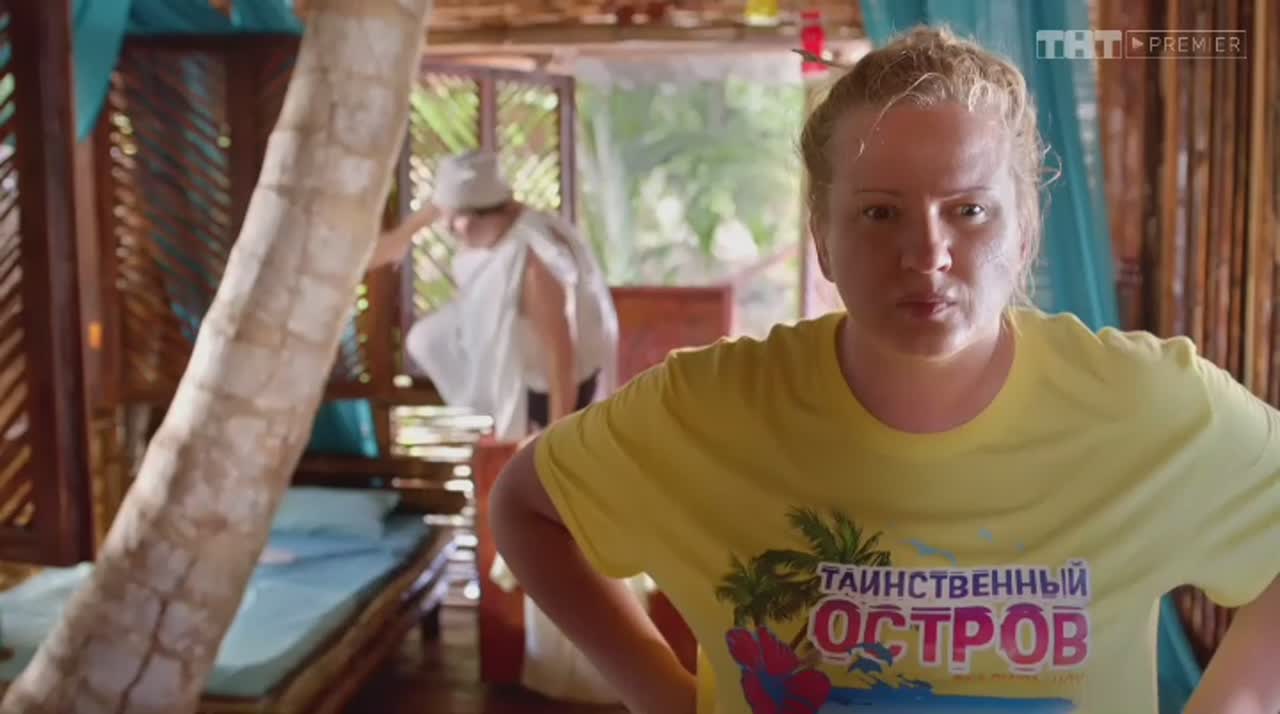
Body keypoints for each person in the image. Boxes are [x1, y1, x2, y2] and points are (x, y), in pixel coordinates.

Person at [488, 26, 1280, 714]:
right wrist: (659, 692)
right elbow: (526, 509)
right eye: (879, 212)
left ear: (1026, 233)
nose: (927, 254)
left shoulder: (1142, 407)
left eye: (969, 210)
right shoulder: (707, 409)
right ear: (822, 239)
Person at [371, 150, 619, 440]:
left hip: (556, 388)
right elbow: (379, 253)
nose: (450, 231)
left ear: (491, 213)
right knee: (426, 338)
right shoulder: (477, 214)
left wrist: (553, 441)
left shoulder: (536, 262)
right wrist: (409, 230)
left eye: (455, 223)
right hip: (516, 365)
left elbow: (561, 357)